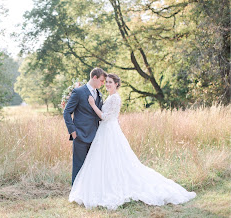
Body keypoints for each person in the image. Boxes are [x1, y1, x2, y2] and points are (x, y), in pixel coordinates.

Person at [69, 74, 196, 210]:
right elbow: (113, 116)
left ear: (117, 84)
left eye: (110, 82)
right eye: (106, 82)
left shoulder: (115, 98)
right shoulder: (109, 97)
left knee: (116, 160)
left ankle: (114, 187)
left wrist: (93, 105)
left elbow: (105, 117)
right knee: (106, 160)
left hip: (109, 131)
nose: (107, 84)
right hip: (105, 131)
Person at [63, 67, 107, 185]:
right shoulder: (79, 92)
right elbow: (67, 112)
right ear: (94, 77)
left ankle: (89, 189)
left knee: (93, 164)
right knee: (79, 164)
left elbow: (98, 114)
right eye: (101, 80)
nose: (103, 83)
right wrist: (72, 131)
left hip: (96, 134)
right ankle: (76, 191)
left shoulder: (99, 94)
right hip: (80, 134)